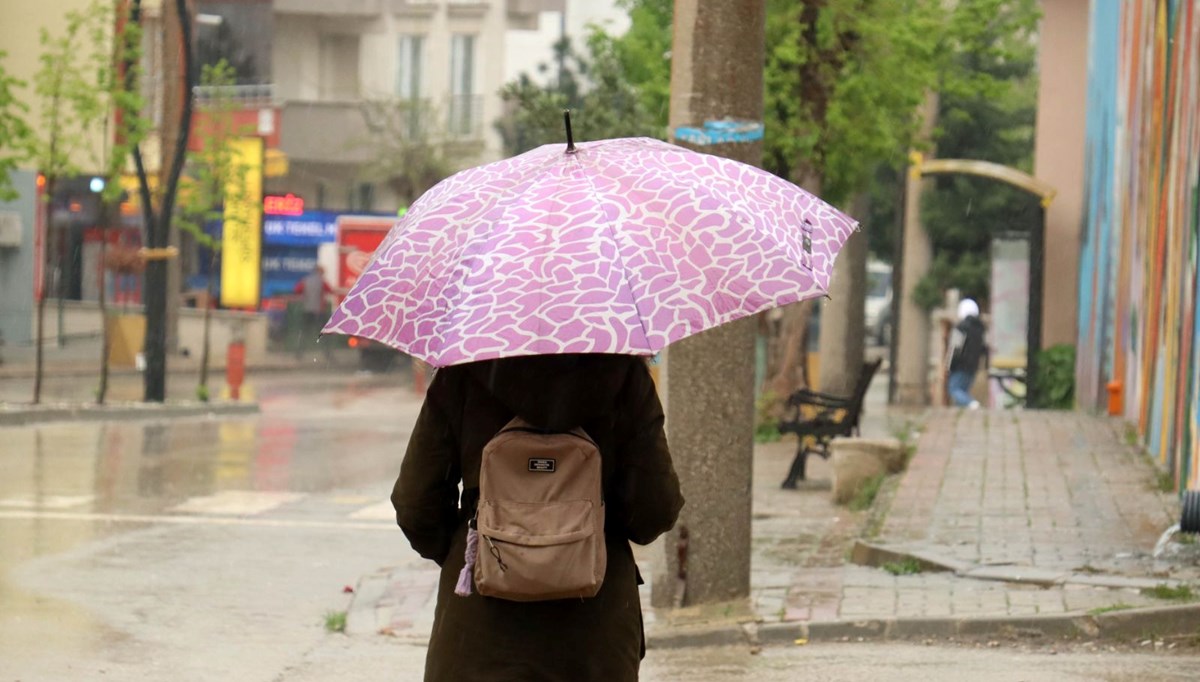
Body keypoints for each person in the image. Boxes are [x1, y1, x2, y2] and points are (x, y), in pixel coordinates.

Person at [393, 353, 684, 681]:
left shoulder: (463, 371)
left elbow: (415, 503)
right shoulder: (623, 374)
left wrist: (475, 547)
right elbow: (653, 510)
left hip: (478, 634)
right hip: (593, 636)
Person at [947, 298, 988, 409]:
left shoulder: (960, 328)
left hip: (959, 365)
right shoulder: (981, 329)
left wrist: (949, 365)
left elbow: (955, 348)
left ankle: (971, 403)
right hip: (973, 366)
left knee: (954, 389)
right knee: (963, 390)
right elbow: (984, 349)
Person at [293, 264, 332, 358]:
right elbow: (329, 290)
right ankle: (327, 353)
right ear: (320, 272)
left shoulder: (305, 280)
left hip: (307, 310)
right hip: (319, 311)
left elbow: (297, 290)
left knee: (304, 333)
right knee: (323, 333)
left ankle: (299, 353)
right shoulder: (322, 282)